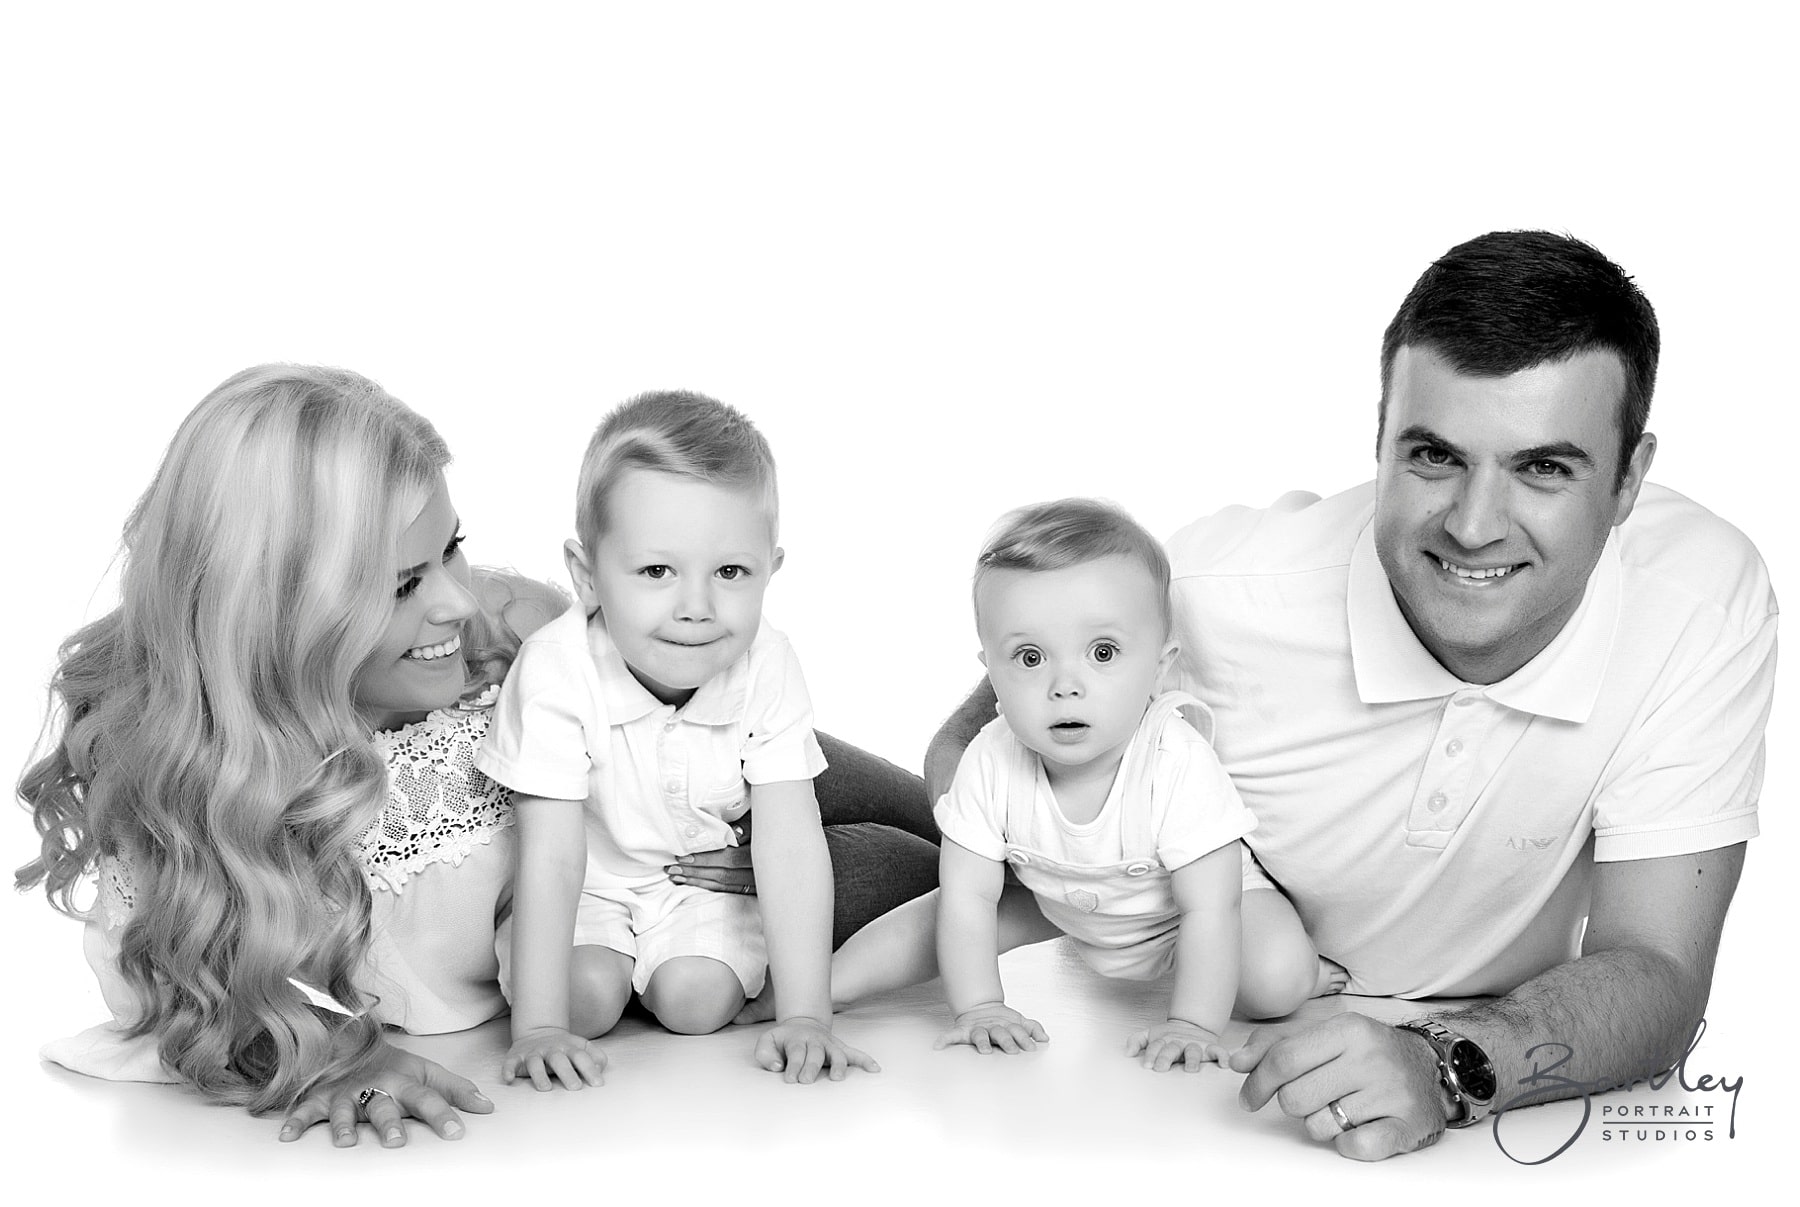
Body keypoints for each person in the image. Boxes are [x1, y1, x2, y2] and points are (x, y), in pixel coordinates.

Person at [924, 231, 1773, 1159]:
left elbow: (1657, 966)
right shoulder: (1216, 595)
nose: (1475, 525)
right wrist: (1046, 875)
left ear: (1629, 481)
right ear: (1379, 436)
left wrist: (1444, 1063)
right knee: (821, 865)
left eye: (1542, 467)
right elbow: (978, 737)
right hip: (1118, 977)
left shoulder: (1701, 606)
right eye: (1434, 456)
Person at [18, 366, 932, 1145]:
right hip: (631, 929)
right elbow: (170, 993)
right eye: (407, 582)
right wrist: (328, 1054)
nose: (458, 600)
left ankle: (1028, 777)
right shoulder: (202, 789)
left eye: (451, 547)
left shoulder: (509, 646)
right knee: (920, 870)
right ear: (280, 615)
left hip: (711, 791)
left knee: (951, 822)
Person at [777, 499, 1339, 1069]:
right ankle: (817, 991)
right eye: (1029, 657)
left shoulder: (1174, 760)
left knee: (1273, 980)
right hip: (1058, 898)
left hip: (1178, 914)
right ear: (989, 669)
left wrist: (1190, 1024)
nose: (1064, 686)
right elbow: (968, 899)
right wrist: (980, 1007)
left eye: (1102, 653)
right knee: (941, 913)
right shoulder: (991, 758)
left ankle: (1314, 973)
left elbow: (1209, 909)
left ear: (1160, 665)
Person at [478, 391, 877, 1091]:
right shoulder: (557, 668)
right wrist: (538, 1026)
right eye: (657, 571)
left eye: (730, 572)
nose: (696, 606)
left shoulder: (769, 660)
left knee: (698, 1002)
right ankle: (598, 978)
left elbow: (788, 839)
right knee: (584, 1001)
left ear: (770, 570)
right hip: (592, 882)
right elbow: (552, 852)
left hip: (692, 886)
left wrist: (806, 1012)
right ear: (587, 575)